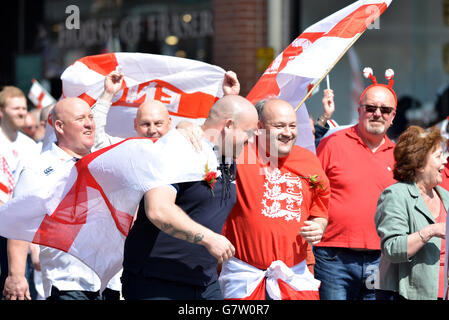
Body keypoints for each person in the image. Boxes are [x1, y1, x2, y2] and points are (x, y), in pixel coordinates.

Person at [121, 94, 259, 300]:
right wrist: (208, 238)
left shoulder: (227, 155)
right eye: (248, 132)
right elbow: (158, 210)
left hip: (204, 281)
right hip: (158, 280)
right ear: (229, 125)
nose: (251, 139)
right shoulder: (178, 146)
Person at [219, 97, 330, 300]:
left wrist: (319, 226)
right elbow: (213, 136)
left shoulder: (309, 160)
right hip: (245, 278)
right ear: (259, 127)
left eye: (292, 126)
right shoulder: (240, 154)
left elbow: (319, 210)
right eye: (279, 126)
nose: (287, 133)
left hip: (294, 278)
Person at [3, 97, 107, 300]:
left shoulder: (105, 164)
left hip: (109, 281)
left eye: (90, 117)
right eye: (80, 118)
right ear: (59, 126)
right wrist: (16, 275)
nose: (89, 124)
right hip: (68, 281)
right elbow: (18, 222)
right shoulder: (38, 169)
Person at [313, 67, 398, 300]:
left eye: (385, 110)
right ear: (360, 111)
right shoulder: (333, 144)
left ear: (392, 117)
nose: (377, 114)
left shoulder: (400, 156)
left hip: (381, 259)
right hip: (333, 258)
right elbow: (311, 191)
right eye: (370, 108)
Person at [375, 126, 448, 300]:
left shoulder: (445, 196)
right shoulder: (395, 195)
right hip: (403, 294)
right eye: (438, 156)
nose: (444, 161)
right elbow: (392, 249)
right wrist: (431, 230)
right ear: (420, 164)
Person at [0, 86, 39, 297]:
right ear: (1, 111)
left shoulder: (31, 146)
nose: (23, 112)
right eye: (16, 108)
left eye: (24, 108)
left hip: (20, 232)